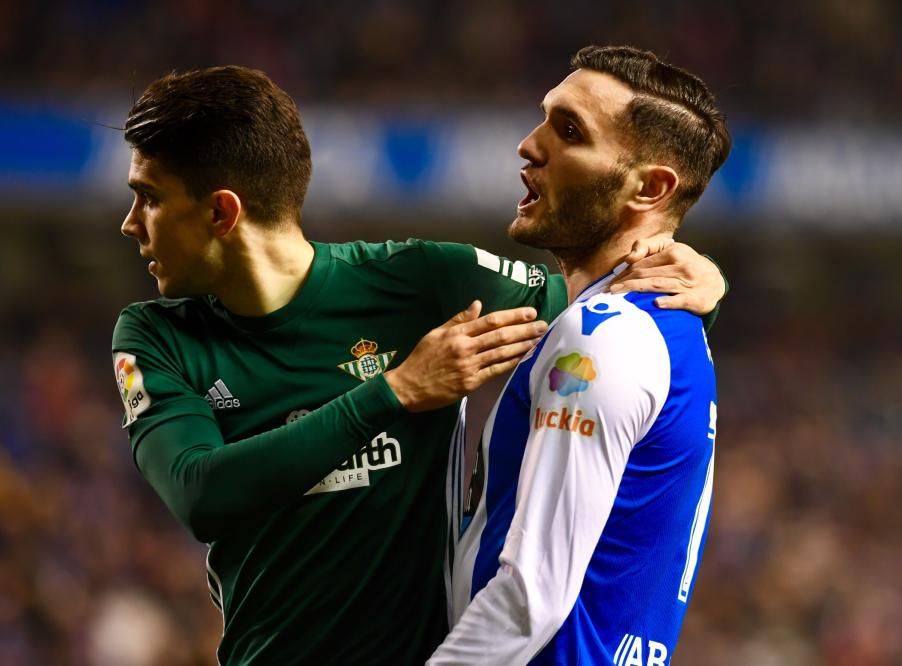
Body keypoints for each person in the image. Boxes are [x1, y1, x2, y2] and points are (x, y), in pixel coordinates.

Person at [111, 65, 726, 665]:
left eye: (149, 199)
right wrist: (395, 391)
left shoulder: (424, 281)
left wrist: (703, 280)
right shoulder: (155, 336)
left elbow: (606, 312)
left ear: (221, 212)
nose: (130, 223)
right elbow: (200, 493)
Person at [430, 45, 731, 665]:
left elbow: (530, 593)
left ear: (649, 187)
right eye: (544, 118)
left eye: (569, 131)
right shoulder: (665, 327)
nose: (528, 145)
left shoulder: (602, 337)